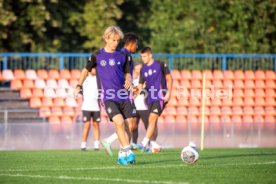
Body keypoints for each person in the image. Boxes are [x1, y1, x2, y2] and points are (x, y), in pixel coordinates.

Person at [74, 26, 135, 165]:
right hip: (108, 97)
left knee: (129, 127)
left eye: (117, 41)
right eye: (113, 40)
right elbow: (84, 71)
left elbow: (127, 72)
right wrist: (78, 86)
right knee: (118, 122)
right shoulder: (96, 56)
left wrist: (129, 79)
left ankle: (121, 154)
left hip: (124, 95)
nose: (115, 43)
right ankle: (128, 150)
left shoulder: (123, 55)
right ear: (106, 38)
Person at [100, 32, 139, 154]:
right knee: (129, 125)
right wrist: (130, 88)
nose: (137, 47)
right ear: (131, 43)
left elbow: (126, 75)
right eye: (136, 44)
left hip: (125, 92)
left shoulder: (124, 54)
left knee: (129, 125)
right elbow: (118, 75)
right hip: (121, 94)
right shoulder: (122, 55)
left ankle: (115, 145)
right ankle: (123, 150)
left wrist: (131, 85)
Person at [136, 47, 172, 151]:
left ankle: (143, 143)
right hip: (148, 98)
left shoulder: (160, 64)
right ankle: (153, 144)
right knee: (153, 122)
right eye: (142, 56)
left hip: (160, 96)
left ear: (150, 55)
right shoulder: (143, 69)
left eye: (145, 56)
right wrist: (141, 90)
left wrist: (168, 92)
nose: (143, 58)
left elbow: (169, 78)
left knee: (152, 118)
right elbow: (140, 84)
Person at [80, 69, 101, 151]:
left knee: (96, 125)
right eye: (93, 68)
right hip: (86, 106)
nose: (95, 70)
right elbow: (80, 90)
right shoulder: (84, 79)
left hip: (96, 106)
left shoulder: (99, 79)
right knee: (87, 125)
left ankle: (96, 145)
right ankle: (83, 145)